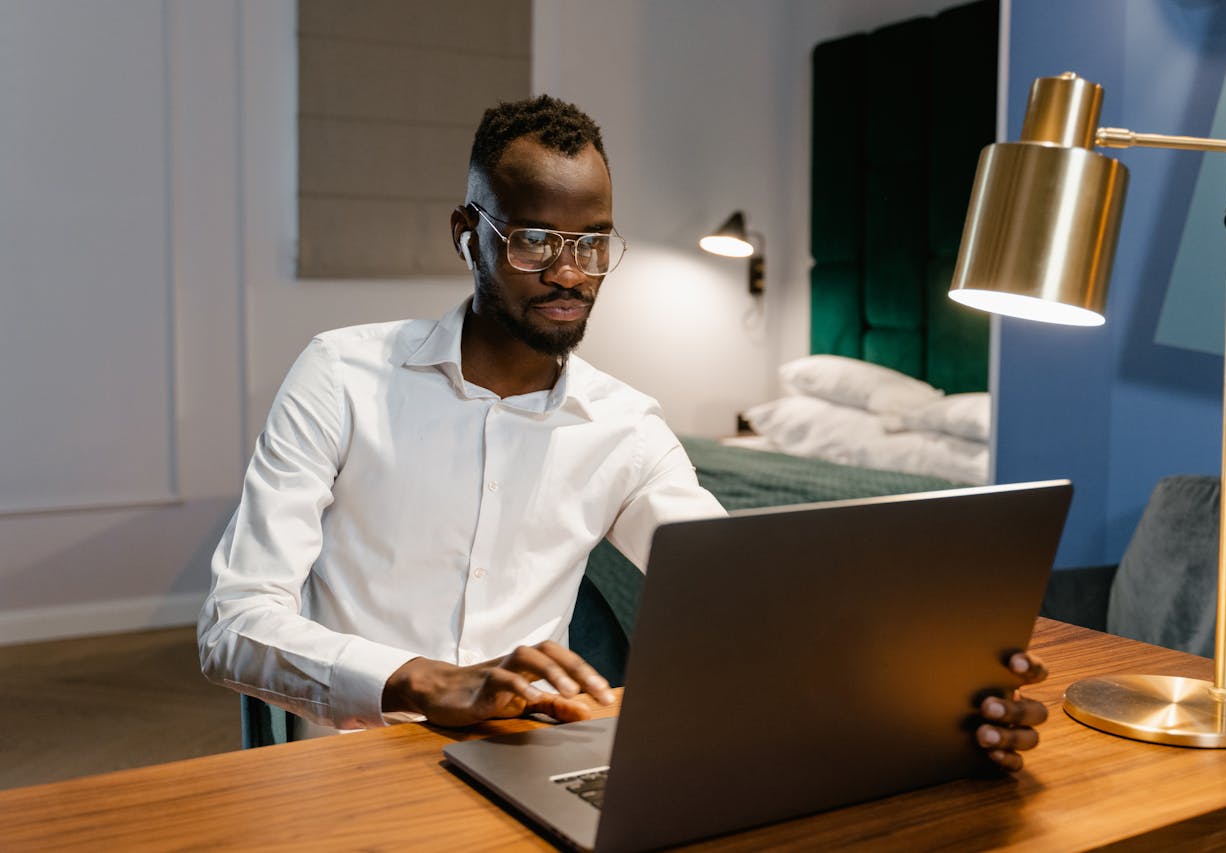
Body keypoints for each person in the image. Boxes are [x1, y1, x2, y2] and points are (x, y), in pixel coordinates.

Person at [197, 95, 1047, 770]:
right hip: (358, 763)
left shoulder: (625, 426)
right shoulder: (341, 375)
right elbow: (234, 622)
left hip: (532, 760)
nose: (568, 273)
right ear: (469, 235)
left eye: (592, 245)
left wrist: (942, 695)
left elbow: (745, 596)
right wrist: (428, 681)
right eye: (534, 240)